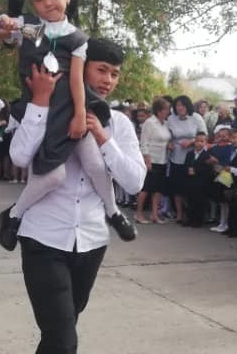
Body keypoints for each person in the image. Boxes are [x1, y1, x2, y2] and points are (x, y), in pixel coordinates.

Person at [8, 49, 146, 354]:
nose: (108, 80)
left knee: (59, 333)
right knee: (62, 340)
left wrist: (103, 137)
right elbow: (19, 157)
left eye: (114, 74)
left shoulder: (118, 123)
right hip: (43, 238)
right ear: (78, 70)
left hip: (92, 241)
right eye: (101, 70)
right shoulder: (45, 110)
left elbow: (135, 182)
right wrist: (40, 102)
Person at [0, 0, 127, 235]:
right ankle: (14, 215)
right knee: (53, 176)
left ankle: (113, 211)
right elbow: (10, 36)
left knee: (95, 164)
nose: (47, 3)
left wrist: (80, 114)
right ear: (32, 3)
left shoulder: (77, 38)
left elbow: (77, 79)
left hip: (69, 108)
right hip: (40, 108)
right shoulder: (34, 28)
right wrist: (7, 27)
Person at [167, 95, 204, 223]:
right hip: (176, 156)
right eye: (177, 105)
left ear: (188, 106)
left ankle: (191, 214)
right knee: (177, 188)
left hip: (192, 156)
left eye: (182, 105)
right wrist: (169, 143)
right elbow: (168, 136)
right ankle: (179, 214)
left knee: (189, 188)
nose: (180, 108)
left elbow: (204, 135)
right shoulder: (171, 119)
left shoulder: (196, 118)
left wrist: (192, 141)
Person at [135, 97, 172, 224]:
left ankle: (154, 215)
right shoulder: (149, 123)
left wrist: (169, 145)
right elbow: (144, 142)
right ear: (159, 110)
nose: (168, 111)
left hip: (163, 159)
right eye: (166, 109)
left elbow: (165, 139)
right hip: (151, 159)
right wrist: (147, 160)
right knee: (146, 188)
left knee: (158, 189)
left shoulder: (165, 123)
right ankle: (139, 214)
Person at [183, 132, 213, 227]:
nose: (199, 143)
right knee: (190, 201)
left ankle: (198, 220)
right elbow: (185, 165)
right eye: (197, 141)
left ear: (205, 142)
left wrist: (196, 170)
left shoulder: (207, 155)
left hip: (201, 183)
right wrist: (188, 169)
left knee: (199, 202)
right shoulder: (190, 154)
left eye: (201, 141)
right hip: (190, 182)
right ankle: (190, 219)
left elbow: (208, 169)